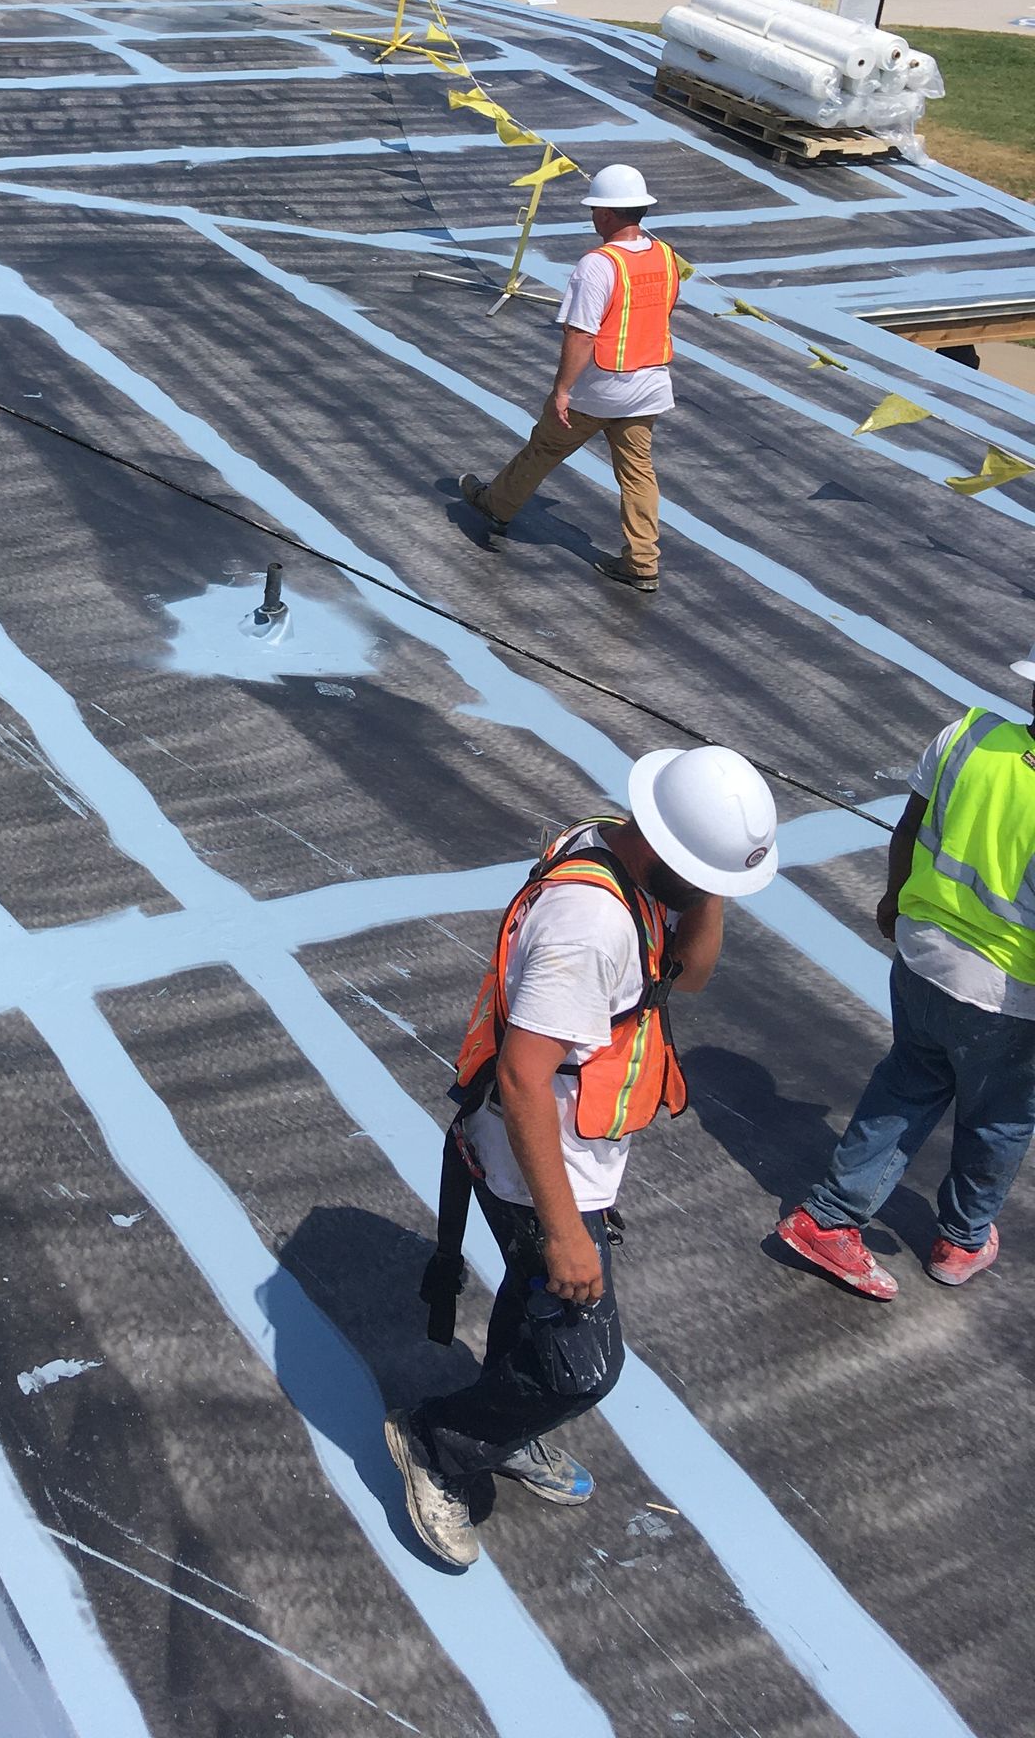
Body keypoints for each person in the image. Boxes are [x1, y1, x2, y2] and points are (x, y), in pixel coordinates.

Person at [388, 745, 777, 1571]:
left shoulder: (635, 860)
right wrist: (565, 1235)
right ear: (665, 848)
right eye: (704, 878)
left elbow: (693, 976)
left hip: (578, 1161)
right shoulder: (589, 926)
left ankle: (506, 1424)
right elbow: (526, 1084)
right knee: (582, 1369)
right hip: (537, 1172)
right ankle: (442, 1443)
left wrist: (705, 888)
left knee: (538, 1322)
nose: (711, 898)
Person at [777, 644, 1035, 1297]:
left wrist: (894, 900)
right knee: (999, 1116)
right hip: (1008, 994)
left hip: (922, 956)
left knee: (910, 1081)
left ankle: (828, 1219)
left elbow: (908, 827)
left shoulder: (969, 734)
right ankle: (961, 1240)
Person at [459, 164, 682, 593]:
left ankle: (496, 506)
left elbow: (581, 334)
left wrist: (562, 391)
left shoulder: (599, 265)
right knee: (638, 475)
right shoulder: (666, 257)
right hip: (649, 384)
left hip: (597, 388)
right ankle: (642, 561)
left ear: (607, 214)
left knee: (545, 447)